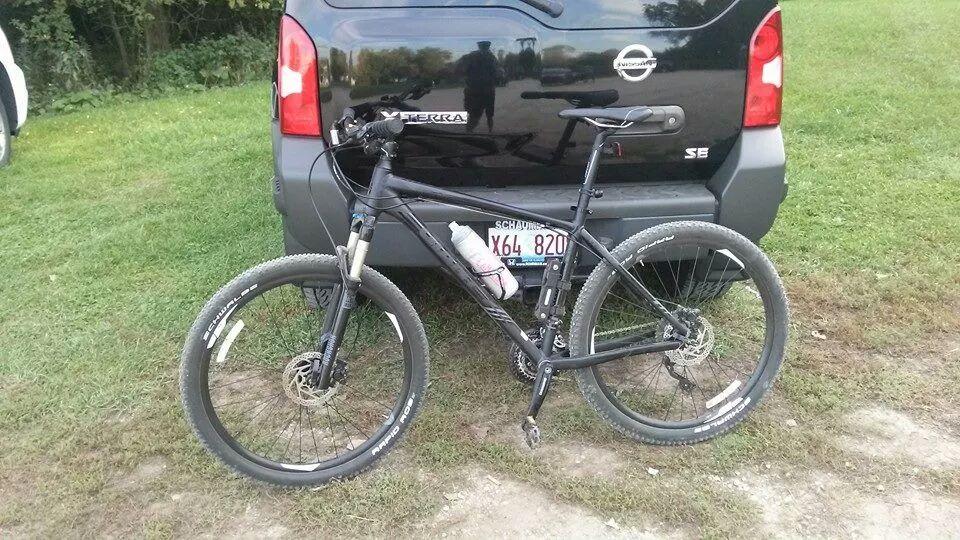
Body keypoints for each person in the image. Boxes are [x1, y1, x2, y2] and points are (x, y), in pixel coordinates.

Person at [460, 41, 499, 133]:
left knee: (485, 113)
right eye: (484, 47)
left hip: (483, 89)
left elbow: (495, 72)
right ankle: (472, 130)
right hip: (478, 89)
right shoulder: (487, 57)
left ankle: (486, 131)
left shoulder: (489, 57)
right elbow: (464, 70)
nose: (484, 48)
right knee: (477, 113)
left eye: (485, 47)